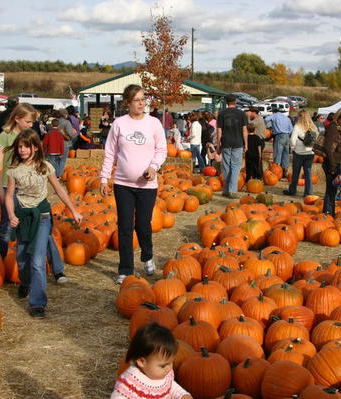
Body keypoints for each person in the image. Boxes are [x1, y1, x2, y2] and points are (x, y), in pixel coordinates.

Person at [5, 129, 82, 318]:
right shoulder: (14, 170)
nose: (22, 150)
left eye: (26, 146)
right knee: (22, 259)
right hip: (23, 217)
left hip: (43, 216)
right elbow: (9, 196)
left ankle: (37, 303)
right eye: (19, 147)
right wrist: (11, 214)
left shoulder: (46, 166)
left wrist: (73, 210)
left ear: (35, 147)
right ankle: (25, 282)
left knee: (38, 260)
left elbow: (60, 190)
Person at [0, 103, 69, 284]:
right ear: (17, 119)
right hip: (9, 186)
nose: (30, 125)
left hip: (29, 189)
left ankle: (57, 269)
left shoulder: (29, 137)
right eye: (27, 121)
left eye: (32, 122)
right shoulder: (5, 136)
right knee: (6, 226)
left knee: (42, 229)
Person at [99, 84, 167, 285]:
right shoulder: (119, 124)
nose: (141, 103)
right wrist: (104, 178)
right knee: (125, 228)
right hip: (123, 184)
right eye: (136, 100)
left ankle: (147, 256)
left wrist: (154, 167)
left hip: (147, 185)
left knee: (143, 226)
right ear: (127, 103)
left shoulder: (153, 123)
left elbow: (161, 150)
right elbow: (110, 153)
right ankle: (125, 269)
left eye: (143, 99)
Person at [111, 323, 192, 399]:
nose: (169, 368)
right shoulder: (129, 385)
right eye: (163, 365)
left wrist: (182, 395)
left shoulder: (162, 373)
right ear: (142, 362)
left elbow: (170, 386)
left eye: (171, 362)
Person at [321, 108, 341, 216]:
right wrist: (333, 165)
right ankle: (328, 213)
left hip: (338, 163)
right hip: (331, 163)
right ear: (337, 118)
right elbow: (328, 147)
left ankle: (329, 212)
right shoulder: (333, 128)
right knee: (331, 190)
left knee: (333, 190)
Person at [217, 95, 248, 198]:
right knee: (235, 166)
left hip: (225, 142)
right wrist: (246, 143)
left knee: (226, 166)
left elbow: (219, 130)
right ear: (235, 102)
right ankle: (232, 190)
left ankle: (227, 189)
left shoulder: (221, 114)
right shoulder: (241, 114)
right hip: (238, 142)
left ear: (226, 102)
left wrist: (218, 144)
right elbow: (244, 130)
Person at [284, 110, 317, 197]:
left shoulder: (297, 127)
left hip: (299, 153)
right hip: (310, 153)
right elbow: (316, 140)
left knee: (296, 173)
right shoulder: (313, 127)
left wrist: (293, 148)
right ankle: (308, 192)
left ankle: (292, 190)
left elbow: (292, 140)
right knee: (308, 173)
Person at [265, 106, 293, 176]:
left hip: (279, 135)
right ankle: (284, 171)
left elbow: (266, 119)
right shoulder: (286, 118)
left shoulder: (274, 115)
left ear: (273, 112)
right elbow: (291, 129)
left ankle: (277, 172)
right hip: (287, 136)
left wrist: (269, 126)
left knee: (278, 154)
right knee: (286, 154)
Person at [57, 108, 77, 176]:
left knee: (56, 160)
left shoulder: (55, 121)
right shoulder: (66, 122)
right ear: (65, 115)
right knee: (62, 160)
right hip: (64, 143)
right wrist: (75, 133)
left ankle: (55, 174)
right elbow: (70, 134)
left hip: (55, 143)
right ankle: (58, 175)